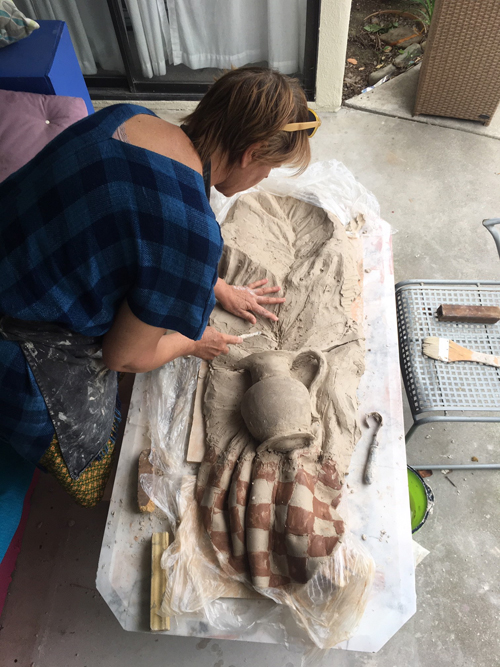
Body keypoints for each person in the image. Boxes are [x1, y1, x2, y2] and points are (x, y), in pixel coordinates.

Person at [0, 67, 321, 507]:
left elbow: (135, 227)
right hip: (16, 340)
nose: (265, 178)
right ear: (250, 154)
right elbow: (124, 356)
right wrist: (192, 341)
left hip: (14, 257)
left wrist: (215, 285)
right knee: (90, 454)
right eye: (270, 166)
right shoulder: (192, 233)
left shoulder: (127, 117)